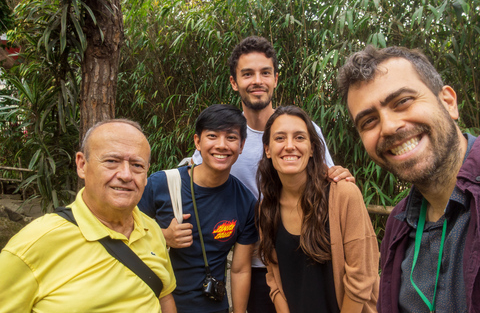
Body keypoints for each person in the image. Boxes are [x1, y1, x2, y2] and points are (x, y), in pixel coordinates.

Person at [192, 35, 355, 313]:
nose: (257, 80)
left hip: (305, 261)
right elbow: (196, 192)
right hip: (251, 266)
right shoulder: (225, 138)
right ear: (234, 82)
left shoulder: (299, 128)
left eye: (265, 73)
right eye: (247, 74)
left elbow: (327, 179)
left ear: (276, 79)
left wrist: (340, 176)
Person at [337, 45, 480, 312]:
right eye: (369, 121)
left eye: (402, 102)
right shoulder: (398, 225)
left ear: (448, 102)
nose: (389, 126)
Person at [0, 119, 177, 312]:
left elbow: (163, 296)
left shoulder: (151, 229)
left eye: (137, 165)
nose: (126, 175)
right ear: (82, 165)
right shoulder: (31, 245)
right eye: (111, 161)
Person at [256, 105, 379, 313]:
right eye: (279, 138)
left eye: (299, 137)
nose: (289, 146)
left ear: (312, 148)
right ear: (267, 149)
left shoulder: (343, 195)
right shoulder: (266, 209)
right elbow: (273, 276)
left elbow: (361, 277)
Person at [139, 104, 258, 313]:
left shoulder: (245, 201)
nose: (221, 145)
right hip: (157, 305)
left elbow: (239, 269)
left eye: (231, 137)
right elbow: (123, 240)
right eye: (212, 136)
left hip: (213, 306)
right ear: (198, 142)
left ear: (241, 145)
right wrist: (163, 236)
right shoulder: (160, 184)